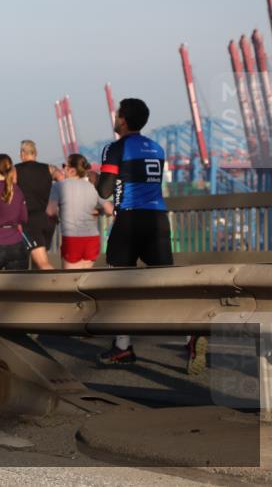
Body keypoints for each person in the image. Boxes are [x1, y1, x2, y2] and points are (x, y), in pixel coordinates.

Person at [96, 98, 172, 365]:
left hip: (129, 219)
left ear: (123, 120)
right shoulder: (157, 147)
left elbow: (104, 190)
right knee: (169, 283)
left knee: (117, 281)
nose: (115, 118)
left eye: (118, 115)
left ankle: (122, 346)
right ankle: (191, 333)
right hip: (158, 218)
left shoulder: (116, 148)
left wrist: (94, 176)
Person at [47, 154, 113, 269]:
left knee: (70, 281)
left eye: (64, 166)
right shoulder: (92, 187)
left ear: (72, 170)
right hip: (92, 239)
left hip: (72, 238)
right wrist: (98, 211)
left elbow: (51, 211)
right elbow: (109, 209)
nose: (63, 169)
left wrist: (56, 218)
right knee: (85, 278)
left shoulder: (59, 186)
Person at [15, 140, 56, 270]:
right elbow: (61, 178)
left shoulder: (15, 170)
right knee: (37, 261)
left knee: (42, 263)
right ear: (35, 153)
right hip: (48, 220)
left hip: (29, 220)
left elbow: (8, 192)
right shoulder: (49, 168)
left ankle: (60, 285)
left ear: (22, 153)